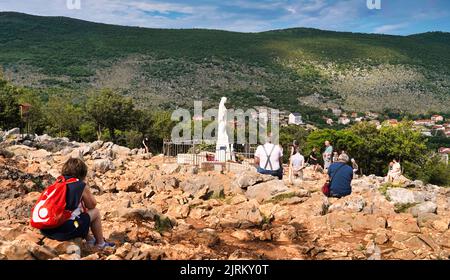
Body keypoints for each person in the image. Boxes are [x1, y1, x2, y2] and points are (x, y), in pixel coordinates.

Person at [40, 158, 115, 249]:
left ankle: (90, 239)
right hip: (63, 232)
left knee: (77, 213)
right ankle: (100, 243)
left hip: (45, 229)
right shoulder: (79, 185)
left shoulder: (57, 184)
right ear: (82, 173)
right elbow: (92, 205)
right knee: (95, 212)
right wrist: (84, 188)